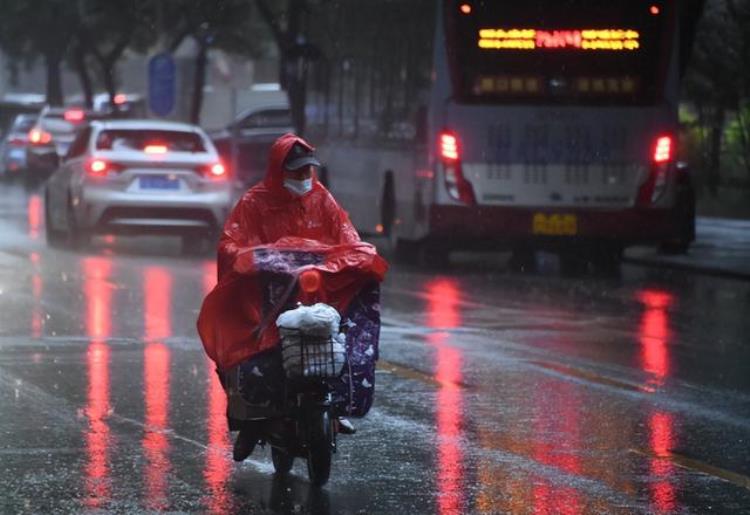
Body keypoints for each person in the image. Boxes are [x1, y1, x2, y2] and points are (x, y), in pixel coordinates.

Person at [212, 133, 366, 461]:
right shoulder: (254, 202)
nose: (302, 179)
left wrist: (358, 255)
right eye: (295, 172)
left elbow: (348, 237)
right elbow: (230, 241)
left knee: (341, 341)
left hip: (315, 291)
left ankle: (336, 406)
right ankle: (251, 422)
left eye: (306, 172)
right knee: (246, 352)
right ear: (277, 170)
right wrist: (245, 257)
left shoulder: (322, 199)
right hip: (266, 295)